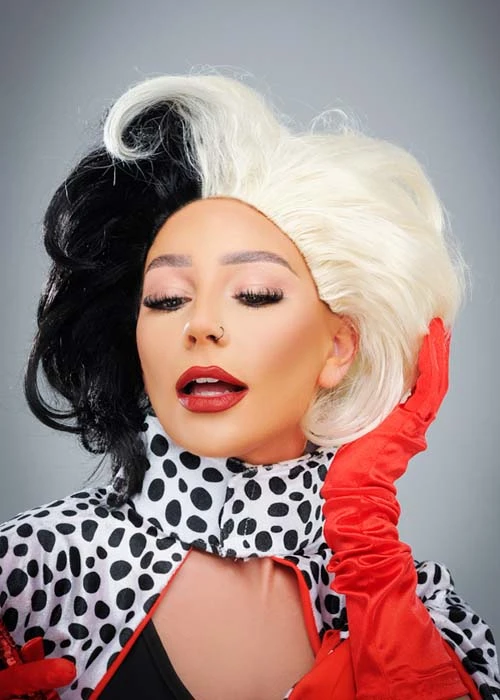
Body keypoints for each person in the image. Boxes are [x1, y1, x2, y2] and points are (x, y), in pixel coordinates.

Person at [0, 72, 498, 700]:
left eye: (255, 294)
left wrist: (364, 528)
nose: (200, 324)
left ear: (338, 348)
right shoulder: (31, 570)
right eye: (167, 298)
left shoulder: (418, 606)